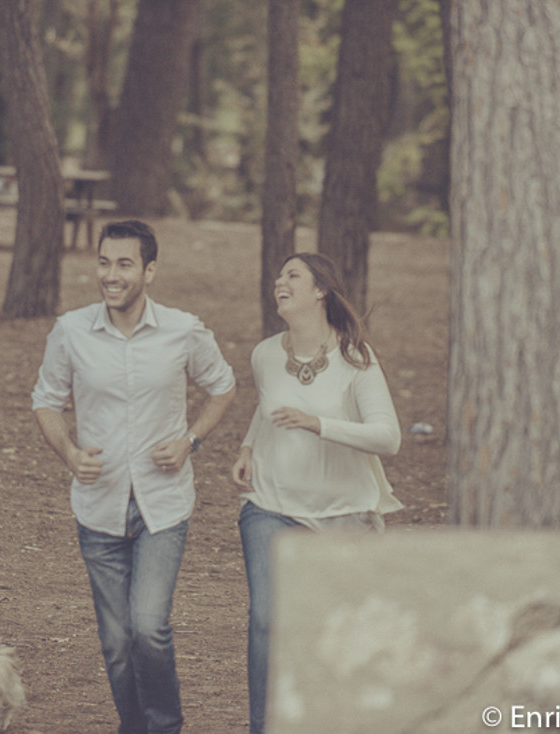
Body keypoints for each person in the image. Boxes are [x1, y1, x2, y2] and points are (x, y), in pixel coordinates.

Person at [32, 219, 237, 734]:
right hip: (98, 504)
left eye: (124, 264)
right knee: (117, 642)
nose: (111, 275)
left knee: (149, 627)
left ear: (149, 270)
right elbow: (47, 401)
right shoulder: (72, 331)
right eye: (104, 262)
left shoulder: (183, 330)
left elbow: (223, 387)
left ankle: (165, 726)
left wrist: (191, 441)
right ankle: (134, 727)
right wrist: (69, 452)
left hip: (162, 505)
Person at [230, 252, 402, 734]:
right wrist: (247, 447)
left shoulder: (356, 361)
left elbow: (388, 438)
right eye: (279, 274)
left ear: (320, 291)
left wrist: (318, 424)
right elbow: (267, 407)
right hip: (270, 506)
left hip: (344, 514)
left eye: (292, 275)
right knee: (266, 620)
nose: (279, 281)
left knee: (338, 633)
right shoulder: (265, 353)